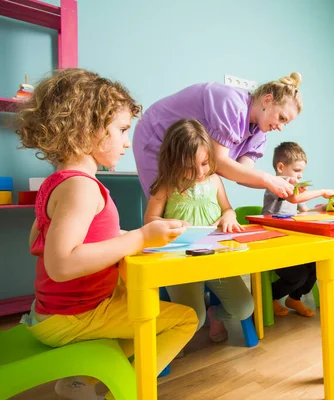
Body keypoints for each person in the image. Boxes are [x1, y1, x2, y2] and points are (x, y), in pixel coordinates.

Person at [16, 68, 198, 400]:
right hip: (74, 317)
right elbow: (61, 265)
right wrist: (140, 237)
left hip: (54, 312)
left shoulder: (58, 183)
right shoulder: (81, 188)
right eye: (122, 130)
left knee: (137, 300)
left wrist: (124, 235)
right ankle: (119, 390)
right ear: (87, 129)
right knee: (185, 319)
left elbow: (38, 243)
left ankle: (81, 382)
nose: (128, 142)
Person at [144, 119, 254, 342]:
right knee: (194, 319)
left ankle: (217, 314)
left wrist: (229, 216)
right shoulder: (166, 185)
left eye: (204, 163)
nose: (200, 172)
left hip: (215, 258)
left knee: (245, 308)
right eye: (190, 167)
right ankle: (173, 332)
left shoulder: (214, 180)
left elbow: (228, 209)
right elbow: (149, 220)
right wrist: (170, 225)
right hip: (180, 262)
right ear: (173, 162)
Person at [133, 72, 304, 200]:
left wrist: (280, 183)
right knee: (167, 206)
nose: (281, 127)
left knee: (190, 209)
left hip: (187, 156)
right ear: (267, 100)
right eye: (281, 118)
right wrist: (268, 179)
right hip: (156, 137)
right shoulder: (231, 103)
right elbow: (219, 163)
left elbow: (243, 175)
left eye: (285, 123)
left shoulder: (260, 134)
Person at [262, 142, 334, 317]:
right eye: (297, 171)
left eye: (302, 172)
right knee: (299, 274)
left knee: (315, 265)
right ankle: (269, 297)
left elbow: (303, 210)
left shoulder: (293, 190)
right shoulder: (276, 184)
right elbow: (294, 199)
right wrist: (322, 191)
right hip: (274, 245)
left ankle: (294, 299)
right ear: (281, 167)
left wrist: (322, 208)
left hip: (291, 242)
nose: (300, 176)